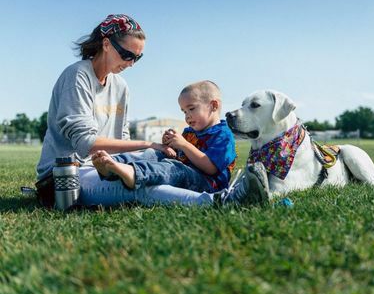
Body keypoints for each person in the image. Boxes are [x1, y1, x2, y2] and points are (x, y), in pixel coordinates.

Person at [35, 14, 170, 206]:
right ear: (106, 44)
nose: (131, 64)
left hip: (109, 166)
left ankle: (213, 190)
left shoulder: (121, 86)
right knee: (142, 185)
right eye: (127, 55)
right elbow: (86, 144)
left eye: (137, 58)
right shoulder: (77, 75)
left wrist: (153, 150)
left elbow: (122, 139)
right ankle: (211, 200)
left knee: (163, 159)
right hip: (66, 175)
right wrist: (148, 144)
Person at [86, 81, 270, 206]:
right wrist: (170, 146)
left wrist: (183, 145)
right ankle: (116, 164)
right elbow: (180, 156)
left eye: (191, 109)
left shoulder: (223, 134)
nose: (187, 116)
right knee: (155, 154)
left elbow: (211, 168)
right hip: (183, 171)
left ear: (213, 106)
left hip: (207, 182)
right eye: (183, 111)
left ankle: (133, 173)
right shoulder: (190, 132)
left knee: (174, 168)